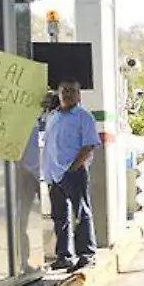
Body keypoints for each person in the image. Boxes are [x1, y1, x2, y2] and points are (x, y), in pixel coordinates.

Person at [44, 80, 100, 270]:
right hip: (53, 174)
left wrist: (73, 167)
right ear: (58, 94)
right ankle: (64, 256)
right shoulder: (53, 116)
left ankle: (86, 253)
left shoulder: (83, 116)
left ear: (79, 95)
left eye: (72, 91)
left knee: (81, 213)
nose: (68, 95)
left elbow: (90, 143)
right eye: (64, 91)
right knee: (60, 217)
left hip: (73, 172)